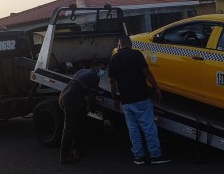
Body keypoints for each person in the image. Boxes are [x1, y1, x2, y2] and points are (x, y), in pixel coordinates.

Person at [108, 35, 170, 165]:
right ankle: (155, 155)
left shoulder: (114, 58)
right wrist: (156, 88)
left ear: (119, 45)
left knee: (133, 129)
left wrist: (114, 98)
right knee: (148, 127)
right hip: (140, 97)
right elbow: (147, 73)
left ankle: (139, 156)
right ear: (130, 44)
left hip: (126, 100)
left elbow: (112, 82)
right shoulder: (136, 54)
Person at [58, 59, 106, 165]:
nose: (103, 71)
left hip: (64, 97)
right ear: (96, 67)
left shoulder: (82, 71)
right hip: (71, 101)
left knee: (78, 125)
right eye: (102, 69)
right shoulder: (94, 76)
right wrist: (92, 108)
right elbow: (91, 95)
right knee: (69, 128)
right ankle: (64, 156)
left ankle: (78, 151)